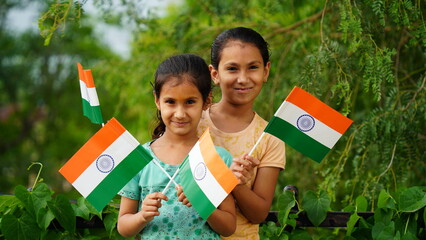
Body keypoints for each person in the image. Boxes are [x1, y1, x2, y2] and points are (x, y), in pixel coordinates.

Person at [117, 54, 236, 239]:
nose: (180, 114)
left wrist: (203, 204)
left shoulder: (216, 158)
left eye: (190, 102)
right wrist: (142, 216)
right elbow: (123, 227)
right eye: (170, 102)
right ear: (157, 100)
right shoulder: (139, 158)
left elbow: (229, 227)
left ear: (206, 101)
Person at [197, 27, 286, 239]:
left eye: (253, 67)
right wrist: (220, 173)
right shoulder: (193, 122)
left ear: (265, 71)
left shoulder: (270, 138)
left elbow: (259, 213)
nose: (243, 78)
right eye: (232, 69)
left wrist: (234, 183)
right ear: (215, 74)